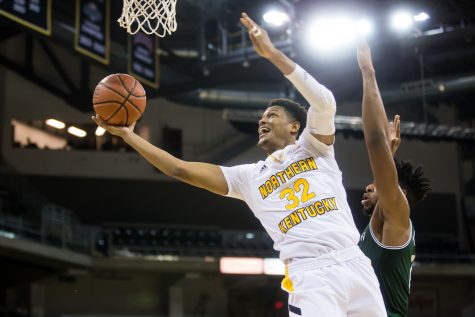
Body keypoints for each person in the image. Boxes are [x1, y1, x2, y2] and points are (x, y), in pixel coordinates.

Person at [93, 13, 386, 316]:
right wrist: (128, 136)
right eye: (262, 117)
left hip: (355, 261)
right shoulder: (248, 177)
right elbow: (179, 169)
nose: (263, 120)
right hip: (312, 277)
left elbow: (324, 102)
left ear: (295, 126)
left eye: (272, 114)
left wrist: (272, 54)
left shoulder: (316, 148)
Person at [357, 39, 432, 317]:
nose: (368, 186)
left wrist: (368, 71)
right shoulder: (377, 227)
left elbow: (374, 141)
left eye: (376, 185)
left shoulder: (398, 213)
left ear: (397, 192)